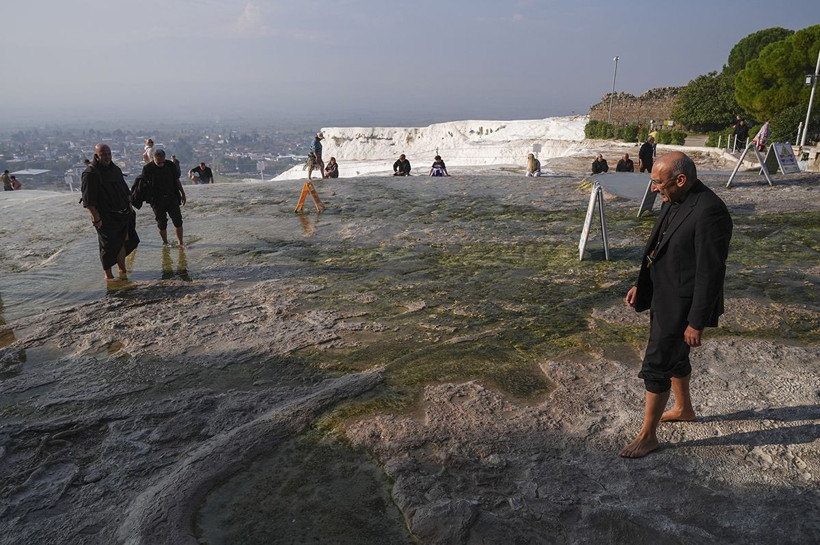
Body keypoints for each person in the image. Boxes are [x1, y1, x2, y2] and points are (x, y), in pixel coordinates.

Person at [620, 151, 732, 458]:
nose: (654, 189)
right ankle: (684, 409)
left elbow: (711, 272)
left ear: (680, 180)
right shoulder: (676, 198)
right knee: (676, 359)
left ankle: (648, 435)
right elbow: (660, 245)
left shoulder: (711, 212)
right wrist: (641, 285)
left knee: (657, 364)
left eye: (658, 182)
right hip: (663, 293)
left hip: (682, 304)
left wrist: (696, 321)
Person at [81, 143, 140, 281]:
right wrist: (96, 218)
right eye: (103, 155)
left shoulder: (115, 169)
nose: (107, 157)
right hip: (105, 217)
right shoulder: (90, 173)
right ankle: (108, 276)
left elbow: (125, 191)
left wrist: (130, 208)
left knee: (122, 243)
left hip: (123, 214)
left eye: (109, 154)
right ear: (97, 155)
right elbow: (88, 201)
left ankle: (122, 270)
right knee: (107, 247)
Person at [141, 148, 186, 247]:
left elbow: (176, 180)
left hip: (171, 197)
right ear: (153, 158)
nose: (161, 164)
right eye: (158, 162)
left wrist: (182, 193)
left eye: (162, 162)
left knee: (178, 220)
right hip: (157, 200)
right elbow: (142, 184)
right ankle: (165, 242)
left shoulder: (170, 165)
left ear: (165, 158)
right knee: (161, 223)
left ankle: (180, 242)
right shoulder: (147, 169)